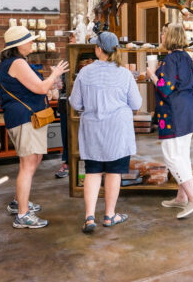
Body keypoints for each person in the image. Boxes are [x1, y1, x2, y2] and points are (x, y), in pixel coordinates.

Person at [69, 31, 142, 233]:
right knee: (113, 172)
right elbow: (136, 103)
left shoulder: (85, 73)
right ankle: (110, 215)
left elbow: (75, 103)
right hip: (117, 131)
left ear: (98, 49)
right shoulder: (125, 74)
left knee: (92, 171)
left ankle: (89, 217)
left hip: (92, 129)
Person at [0, 26, 69, 229]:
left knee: (34, 158)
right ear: (18, 44)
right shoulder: (18, 63)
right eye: (29, 40)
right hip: (25, 119)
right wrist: (54, 75)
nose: (32, 43)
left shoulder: (13, 63)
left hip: (27, 118)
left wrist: (48, 83)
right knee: (28, 165)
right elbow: (40, 88)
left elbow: (33, 88)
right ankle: (22, 215)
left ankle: (18, 201)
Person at [146, 23, 193, 218]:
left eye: (163, 34)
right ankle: (182, 197)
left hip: (175, 112)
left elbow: (165, 87)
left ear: (170, 37)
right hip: (187, 109)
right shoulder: (186, 57)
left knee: (172, 155)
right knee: (182, 154)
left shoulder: (170, 59)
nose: (161, 37)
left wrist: (152, 76)